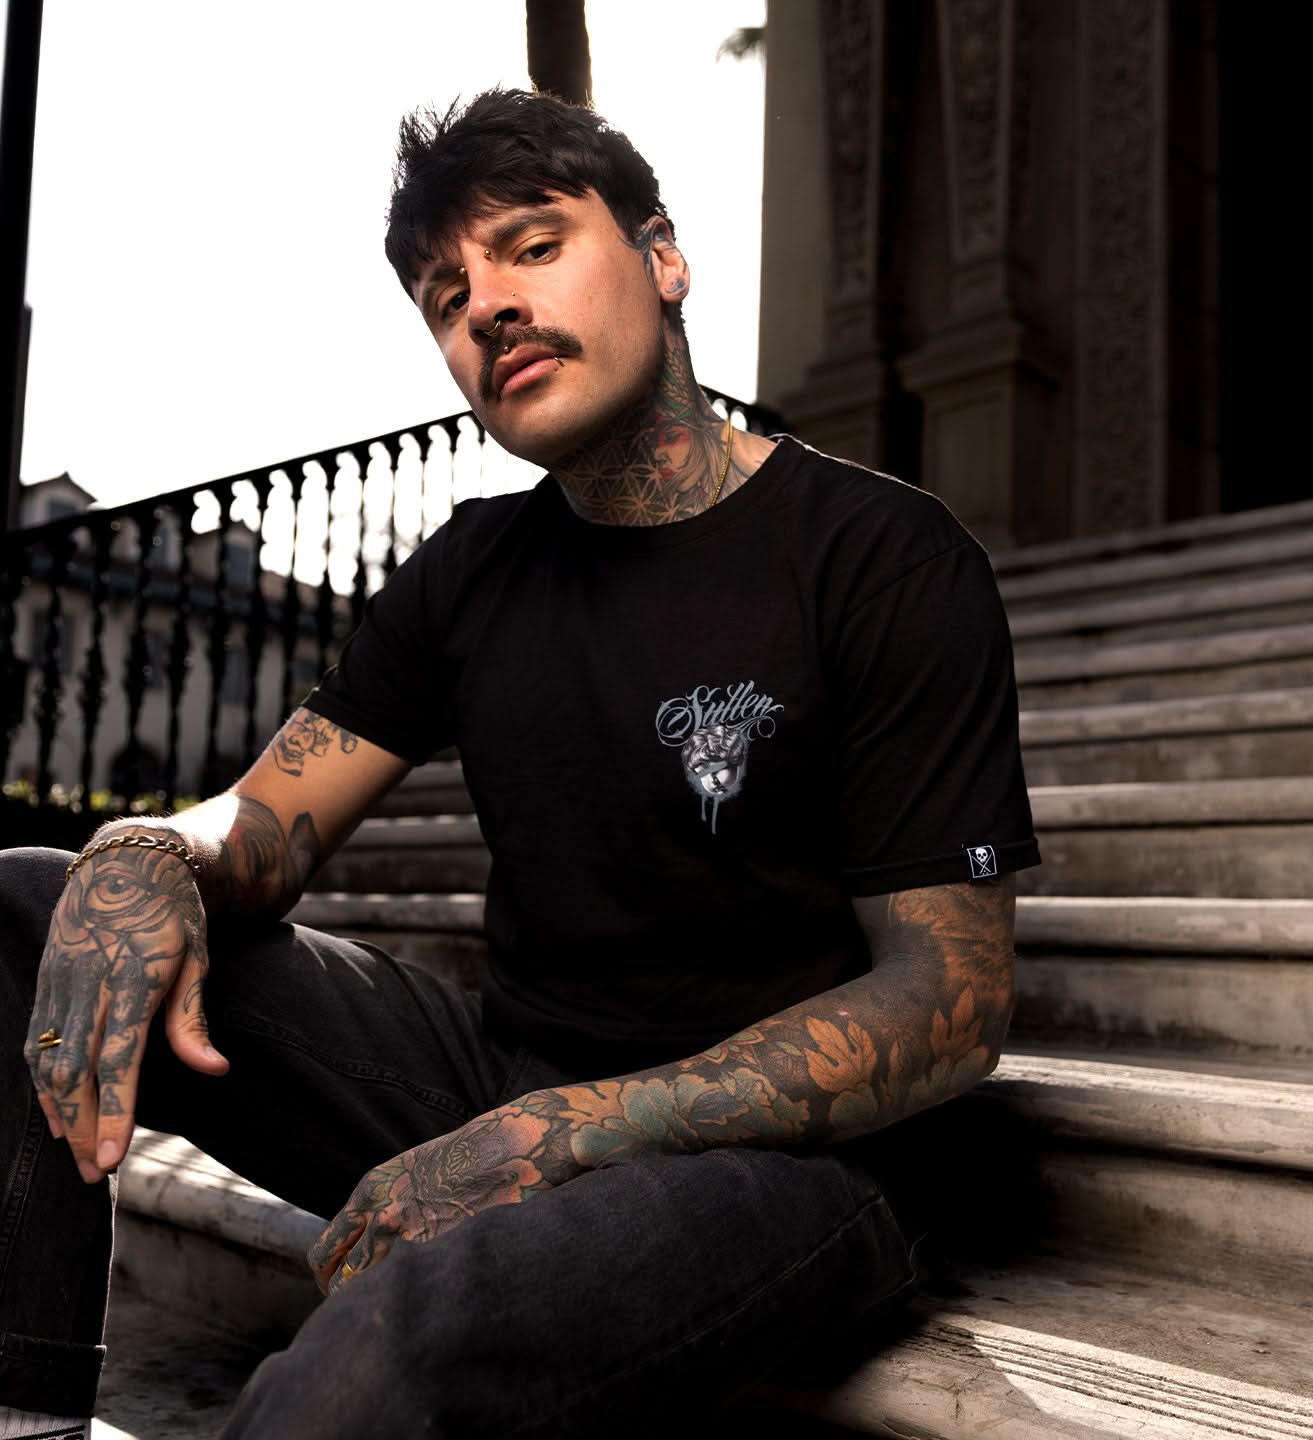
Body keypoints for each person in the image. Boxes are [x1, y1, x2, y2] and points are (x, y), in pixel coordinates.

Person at [0, 88, 1039, 1438]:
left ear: (662, 258)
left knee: (382, 1349)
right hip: (504, 1072)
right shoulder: (471, 571)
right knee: (38, 900)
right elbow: (258, 830)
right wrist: (146, 850)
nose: (484, 305)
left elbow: (951, 1002)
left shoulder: (878, 553)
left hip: (791, 1160)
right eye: (445, 293)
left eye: (532, 246)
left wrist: (573, 1134)